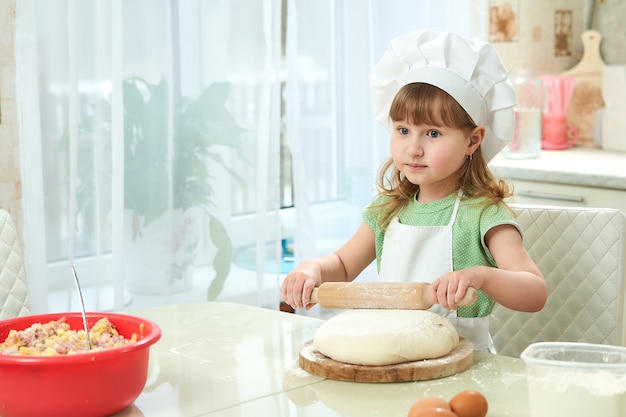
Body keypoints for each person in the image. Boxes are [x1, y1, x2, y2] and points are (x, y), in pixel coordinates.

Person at [280, 30, 547, 352]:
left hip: (464, 367)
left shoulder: (483, 214)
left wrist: (481, 276)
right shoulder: (389, 209)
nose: (414, 148)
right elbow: (343, 264)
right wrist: (313, 268)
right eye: (403, 130)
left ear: (473, 140)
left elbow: (535, 292)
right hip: (395, 358)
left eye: (433, 133)